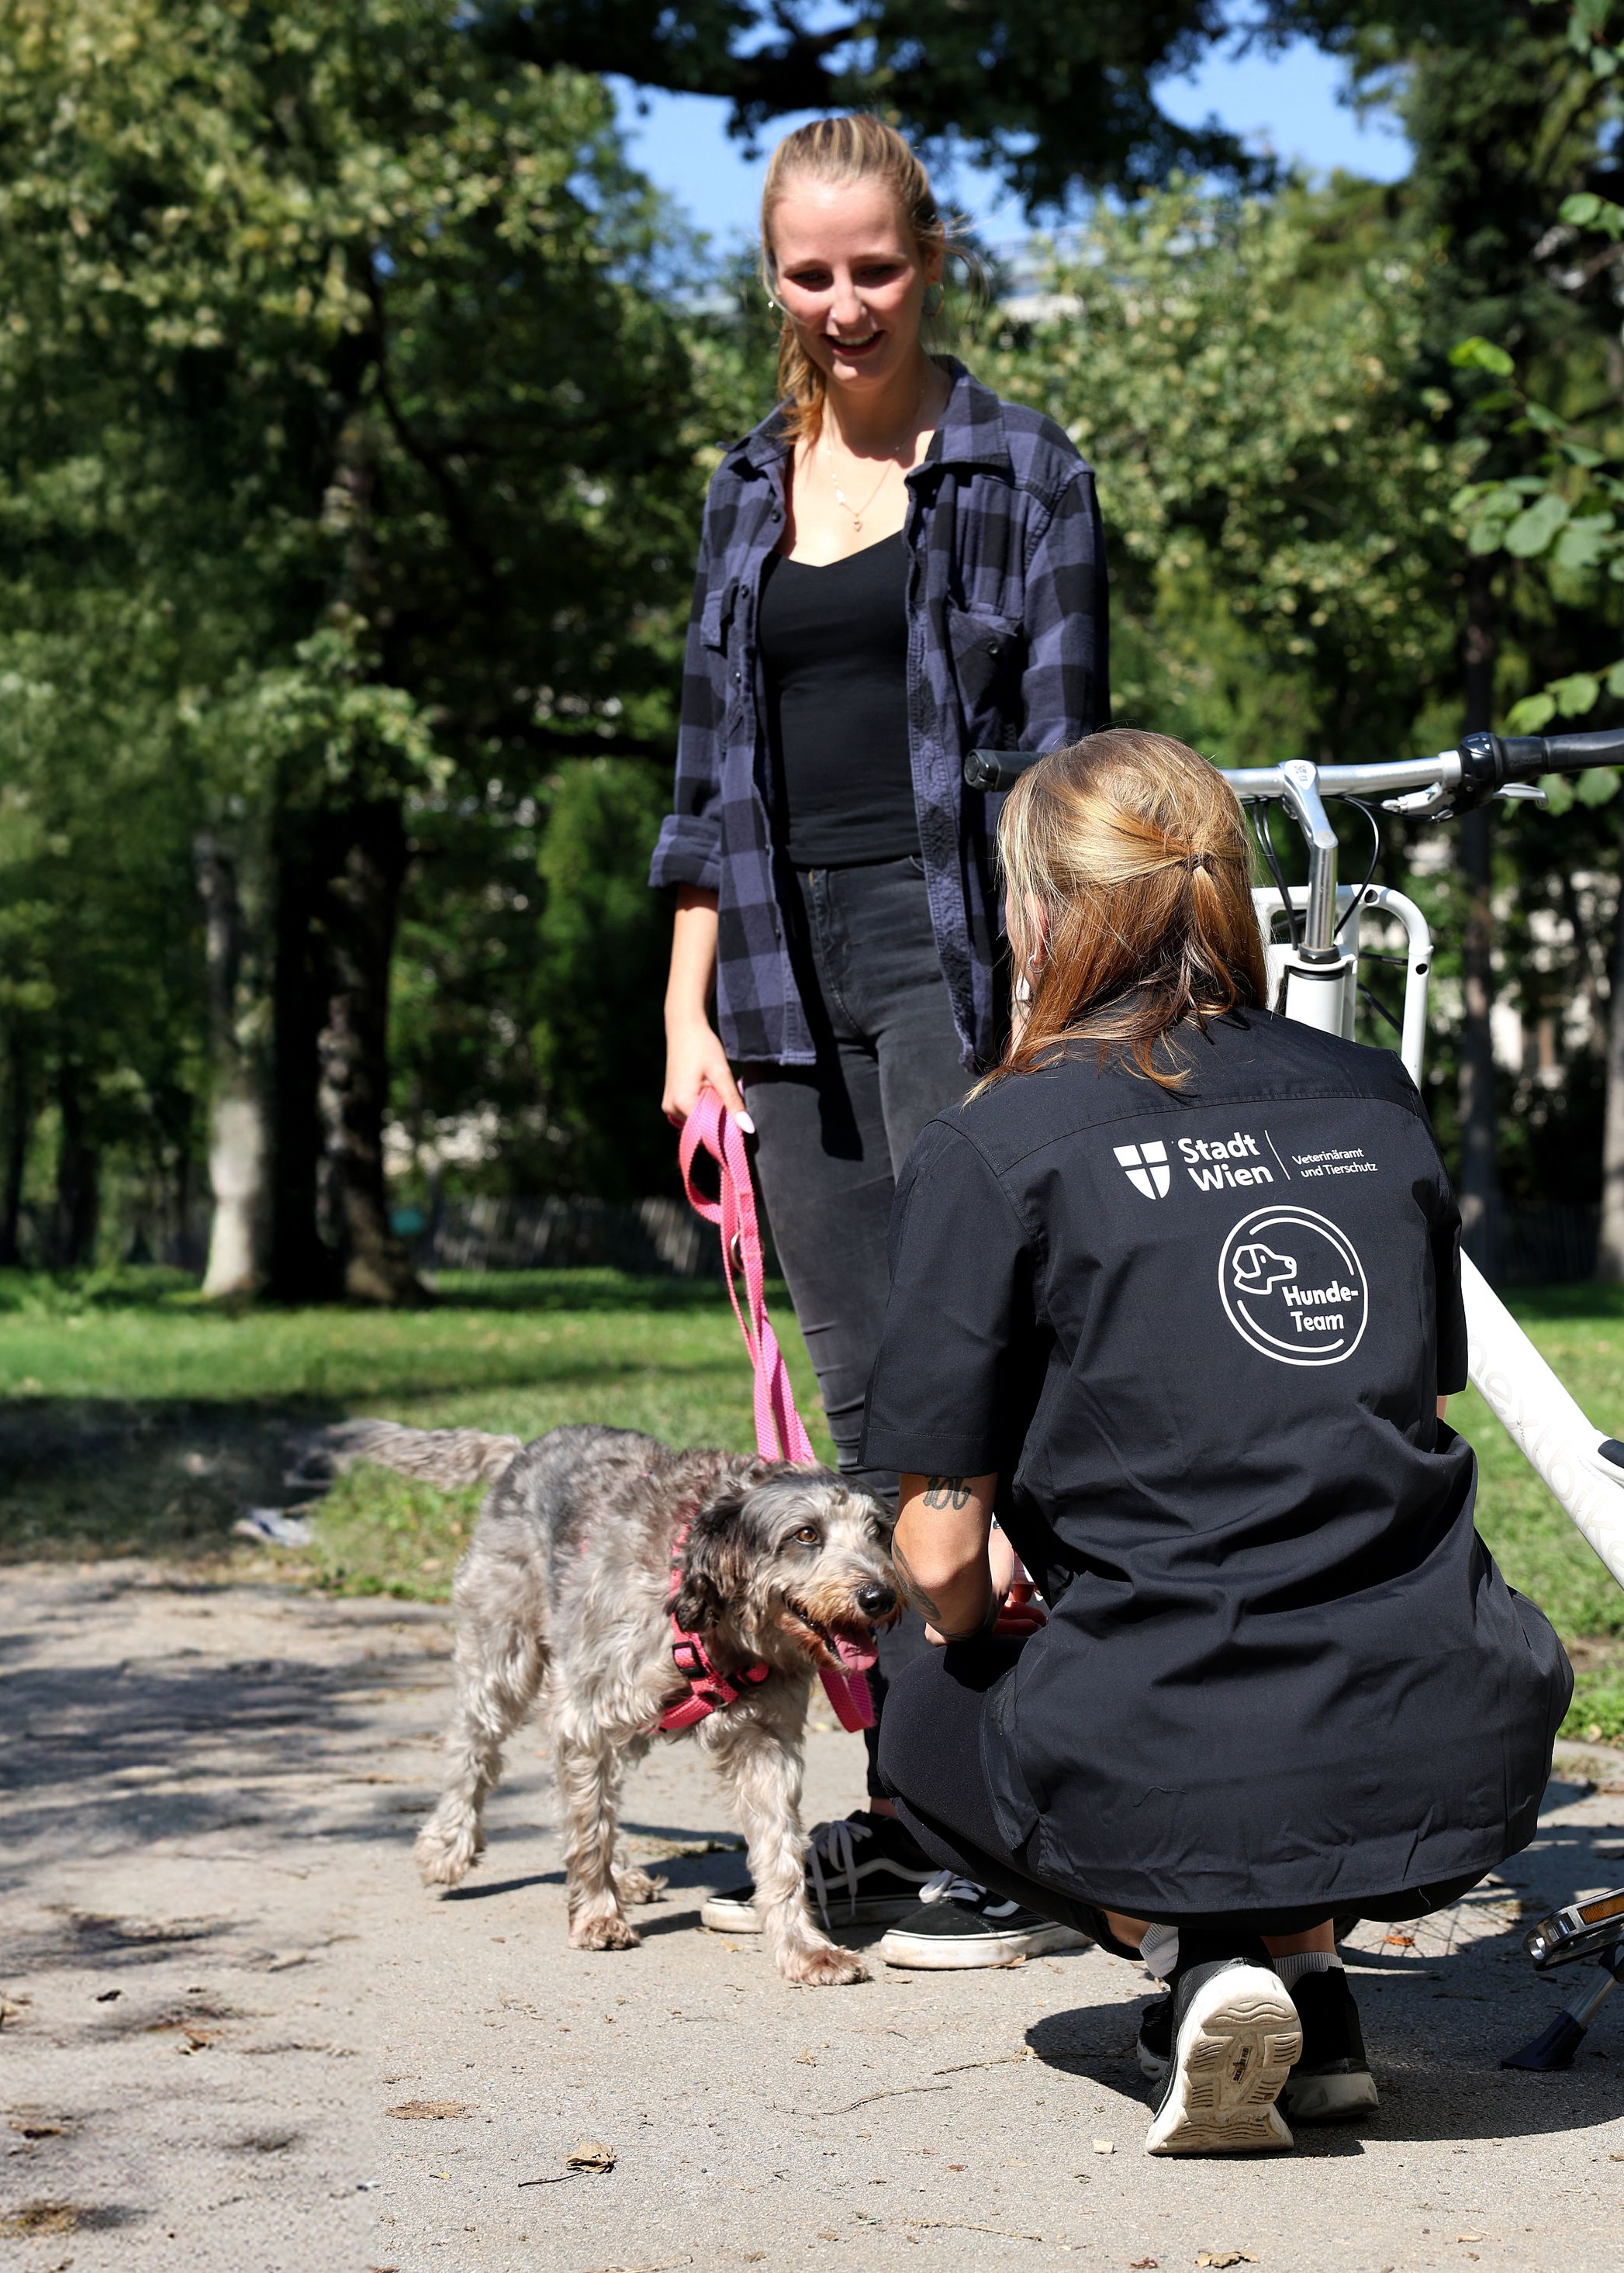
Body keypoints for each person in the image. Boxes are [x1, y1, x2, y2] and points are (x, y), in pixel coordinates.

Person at [863, 729, 1574, 2154]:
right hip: (1450, 1742)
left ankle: (1191, 1961)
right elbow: (1413, 1407)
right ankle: (1314, 1994)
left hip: (1170, 1758)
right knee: (1278, 1665)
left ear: (1042, 914)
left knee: (922, 1681)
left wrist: (984, 1603)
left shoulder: (997, 1142)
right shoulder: (1374, 1096)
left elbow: (941, 1553)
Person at [650, 114, 1106, 1966]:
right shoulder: (741, 487)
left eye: (874, 268)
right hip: (776, 975)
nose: (843, 305)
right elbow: (704, 774)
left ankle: (1057, 1803)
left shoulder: (1022, 472)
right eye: (808, 273)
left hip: (959, 966)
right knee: (860, 1405)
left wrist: (1047, 1018)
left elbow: (1066, 777)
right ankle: (921, 1814)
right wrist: (684, 1010)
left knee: (986, 1384)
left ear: (929, 260)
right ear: (772, 278)